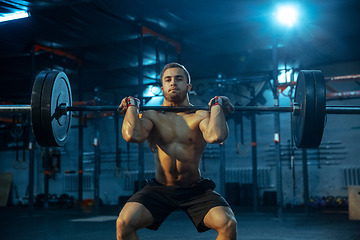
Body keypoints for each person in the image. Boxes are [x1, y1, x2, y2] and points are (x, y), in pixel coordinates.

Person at [116, 62, 237, 240]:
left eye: (179, 79)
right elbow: (132, 136)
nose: (173, 83)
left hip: (195, 190)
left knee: (228, 224)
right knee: (124, 224)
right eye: (168, 79)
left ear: (188, 86)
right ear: (162, 87)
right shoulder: (151, 115)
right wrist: (132, 104)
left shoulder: (201, 115)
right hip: (159, 190)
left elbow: (216, 136)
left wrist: (217, 104)